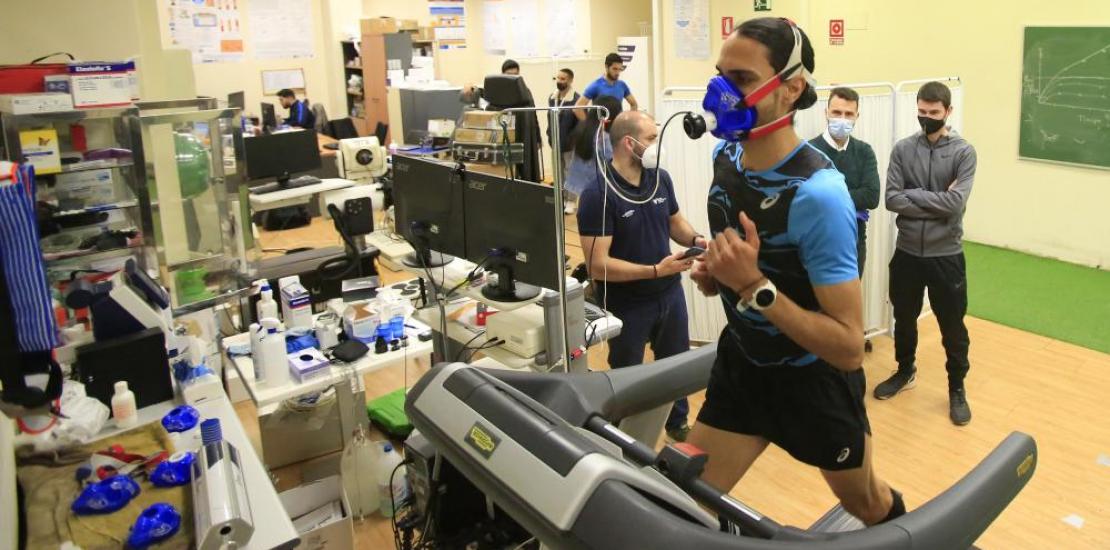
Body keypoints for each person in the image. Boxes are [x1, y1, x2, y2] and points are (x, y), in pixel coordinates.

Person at [688, 17, 904, 527]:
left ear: (791, 88)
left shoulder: (819, 195)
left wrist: (752, 286)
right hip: (743, 368)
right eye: (719, 75)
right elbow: (754, 264)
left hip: (813, 384)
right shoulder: (726, 157)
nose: (721, 93)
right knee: (683, 502)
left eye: (741, 79)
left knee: (866, 503)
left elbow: (849, 348)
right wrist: (720, 275)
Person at [577, 110, 704, 443]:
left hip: (669, 293)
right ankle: (623, 440)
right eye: (651, 138)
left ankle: (677, 423)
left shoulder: (660, 179)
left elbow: (675, 222)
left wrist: (696, 239)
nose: (656, 145)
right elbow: (597, 265)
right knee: (628, 378)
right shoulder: (597, 195)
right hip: (627, 304)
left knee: (676, 365)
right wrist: (654, 271)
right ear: (628, 143)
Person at [875, 81, 977, 427]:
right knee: (903, 317)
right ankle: (905, 371)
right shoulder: (903, 149)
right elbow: (891, 199)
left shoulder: (963, 153)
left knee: (952, 325)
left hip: (946, 255)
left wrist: (914, 194)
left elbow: (955, 203)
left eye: (934, 112)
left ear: (948, 111)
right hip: (907, 253)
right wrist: (935, 198)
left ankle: (956, 387)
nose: (927, 117)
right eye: (922, 111)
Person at [808, 87, 880, 276]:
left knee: (851, 296)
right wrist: (851, 203)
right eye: (836, 112)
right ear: (826, 112)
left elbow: (872, 196)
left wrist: (827, 196)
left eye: (848, 114)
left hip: (854, 245)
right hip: (816, 244)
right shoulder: (808, 151)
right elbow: (805, 199)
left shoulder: (864, 152)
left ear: (857, 116)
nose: (842, 119)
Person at [565, 95, 621, 214]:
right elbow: (613, 163)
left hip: (581, 187)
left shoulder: (584, 129)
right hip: (597, 190)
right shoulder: (603, 138)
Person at [549, 68, 581, 212]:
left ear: (570, 80)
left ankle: (571, 201)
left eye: (563, 79)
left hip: (570, 144)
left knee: (570, 172)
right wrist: (549, 135)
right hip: (555, 142)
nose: (559, 81)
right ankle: (561, 198)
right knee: (558, 172)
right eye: (558, 78)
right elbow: (550, 119)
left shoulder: (576, 99)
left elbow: (580, 123)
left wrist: (573, 140)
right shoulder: (552, 98)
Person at [574, 53, 639, 121]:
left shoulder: (622, 85)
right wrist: (588, 125)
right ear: (606, 67)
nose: (617, 73)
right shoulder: (596, 85)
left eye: (620, 69)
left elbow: (634, 104)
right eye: (615, 69)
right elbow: (577, 108)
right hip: (601, 125)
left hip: (617, 125)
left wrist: (629, 120)